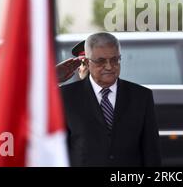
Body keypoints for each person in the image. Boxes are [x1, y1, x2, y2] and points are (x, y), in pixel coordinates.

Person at [59, 32, 161, 166]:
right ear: (86, 62)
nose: (109, 66)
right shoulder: (66, 97)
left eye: (115, 60)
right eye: (101, 61)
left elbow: (151, 152)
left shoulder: (141, 96)